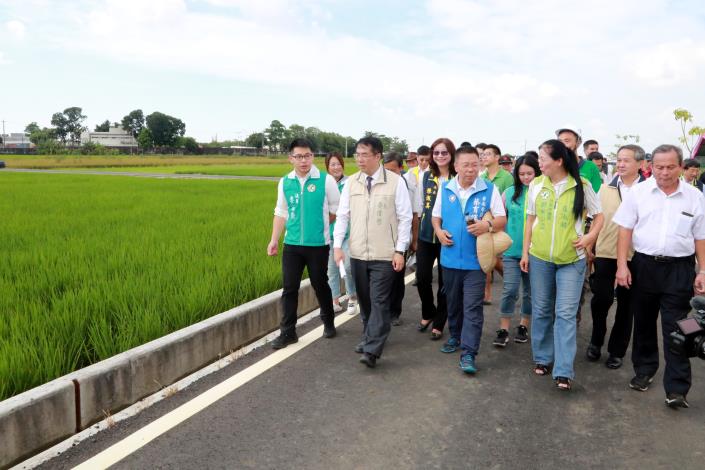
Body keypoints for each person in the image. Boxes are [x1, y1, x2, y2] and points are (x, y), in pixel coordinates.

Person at [614, 144, 705, 409]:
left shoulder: (694, 196)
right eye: (659, 167)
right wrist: (622, 265)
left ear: (681, 167)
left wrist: (703, 270)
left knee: (678, 327)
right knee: (643, 322)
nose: (664, 172)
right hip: (644, 266)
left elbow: (701, 236)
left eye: (670, 167)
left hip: (680, 269)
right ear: (650, 166)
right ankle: (644, 370)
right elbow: (624, 231)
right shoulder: (639, 192)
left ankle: (677, 389)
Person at [520, 139, 604, 391]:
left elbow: (599, 216)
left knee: (566, 313)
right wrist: (525, 252)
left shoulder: (582, 185)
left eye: (543, 158)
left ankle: (564, 370)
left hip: (572, 260)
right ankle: (543, 358)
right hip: (540, 257)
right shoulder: (536, 185)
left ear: (558, 160)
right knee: (542, 308)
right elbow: (529, 221)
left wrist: (589, 238)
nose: (539, 163)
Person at [334, 136, 412, 368]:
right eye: (357, 154)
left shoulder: (396, 182)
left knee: (379, 301)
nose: (359, 159)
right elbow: (342, 215)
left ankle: (372, 350)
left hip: (385, 254)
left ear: (378, 156)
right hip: (358, 252)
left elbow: (405, 218)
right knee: (366, 302)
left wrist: (400, 250)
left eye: (364, 154)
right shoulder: (351, 182)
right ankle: (370, 336)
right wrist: (338, 246)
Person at [432, 145, 507, 373]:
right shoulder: (445, 189)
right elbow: (436, 217)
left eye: (475, 164)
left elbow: (502, 218)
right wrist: (439, 232)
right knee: (453, 304)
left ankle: (468, 353)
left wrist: (488, 225)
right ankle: (455, 335)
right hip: (450, 259)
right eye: (466, 165)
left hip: (477, 261)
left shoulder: (489, 189)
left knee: (472, 308)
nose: (471, 169)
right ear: (456, 166)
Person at [268, 138, 341, 349]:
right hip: (292, 245)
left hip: (318, 244)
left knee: (320, 284)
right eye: (298, 156)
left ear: (312, 156)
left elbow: (336, 209)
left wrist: (319, 226)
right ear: (291, 158)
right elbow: (280, 212)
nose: (303, 160)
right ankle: (288, 332)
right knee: (289, 289)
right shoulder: (286, 182)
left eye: (307, 156)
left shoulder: (324, 180)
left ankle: (328, 321)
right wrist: (274, 240)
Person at [587, 145, 646, 369]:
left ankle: (617, 350)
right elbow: (597, 219)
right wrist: (590, 243)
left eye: (626, 160)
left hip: (636, 256)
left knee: (627, 305)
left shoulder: (648, 190)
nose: (620, 164)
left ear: (640, 164)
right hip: (605, 252)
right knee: (600, 300)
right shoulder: (605, 189)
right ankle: (595, 340)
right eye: (619, 160)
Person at [493, 154, 541, 347]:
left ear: (537, 172)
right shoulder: (509, 193)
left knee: (529, 292)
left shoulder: (542, 193)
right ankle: (503, 328)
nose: (526, 177)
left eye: (529, 173)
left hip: (535, 253)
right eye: (521, 174)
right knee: (510, 289)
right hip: (512, 252)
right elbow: (500, 219)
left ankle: (523, 325)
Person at [415, 138, 457, 340]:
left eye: (444, 152)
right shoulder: (426, 176)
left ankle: (439, 321)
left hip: (448, 237)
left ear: (451, 154)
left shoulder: (457, 177)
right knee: (422, 278)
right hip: (426, 235)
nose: (440, 156)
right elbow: (423, 205)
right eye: (436, 152)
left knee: (444, 281)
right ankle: (428, 311)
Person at [383, 151, 418, 326]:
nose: (388, 174)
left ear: (401, 169)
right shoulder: (380, 184)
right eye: (385, 170)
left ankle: (394, 311)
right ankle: (381, 310)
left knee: (397, 276)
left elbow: (414, 215)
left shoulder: (408, 186)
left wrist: (414, 240)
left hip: (400, 239)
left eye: (392, 170)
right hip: (382, 238)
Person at [479, 144, 513, 305]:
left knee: (495, 257)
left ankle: (512, 281)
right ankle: (486, 294)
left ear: (497, 157)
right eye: (483, 154)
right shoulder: (481, 177)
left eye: (487, 154)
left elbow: (511, 203)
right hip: (484, 224)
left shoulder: (506, 177)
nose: (484, 157)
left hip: (500, 223)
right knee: (485, 257)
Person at [324, 153, 357, 315]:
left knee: (349, 266)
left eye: (338, 164)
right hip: (328, 233)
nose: (336, 167)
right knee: (331, 269)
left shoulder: (350, 182)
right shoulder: (325, 183)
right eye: (332, 165)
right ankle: (334, 300)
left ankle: (352, 296)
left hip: (348, 232)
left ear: (343, 165)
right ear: (327, 167)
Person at [556, 128, 602, 193]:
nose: (563, 145)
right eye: (560, 141)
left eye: (567, 141)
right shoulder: (556, 167)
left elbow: (595, 195)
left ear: (578, 142)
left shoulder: (591, 166)